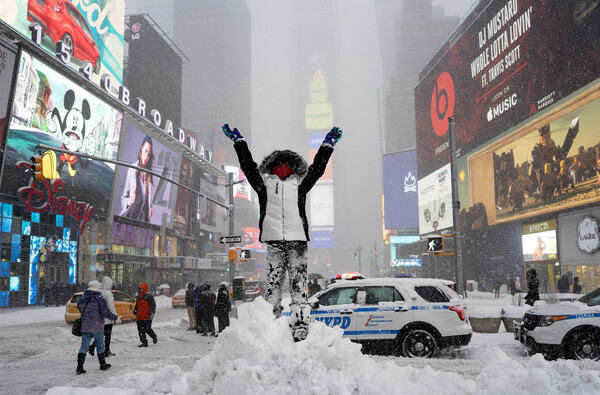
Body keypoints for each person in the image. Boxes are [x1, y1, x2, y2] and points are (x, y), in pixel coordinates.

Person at [222, 124, 342, 341]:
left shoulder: (301, 183)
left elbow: (318, 167)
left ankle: (299, 325)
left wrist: (328, 144)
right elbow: (248, 166)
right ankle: (270, 324)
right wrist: (239, 142)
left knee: (298, 286)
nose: (283, 167)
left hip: (296, 241)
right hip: (275, 240)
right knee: (273, 286)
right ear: (273, 166)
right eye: (280, 164)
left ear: (294, 167)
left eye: (287, 164)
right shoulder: (264, 184)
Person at [75, 280, 119, 374]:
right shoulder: (99, 297)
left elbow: (79, 307)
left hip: (85, 326)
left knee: (84, 346)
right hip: (97, 326)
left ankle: (79, 367)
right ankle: (102, 364)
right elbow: (104, 311)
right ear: (96, 287)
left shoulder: (83, 297)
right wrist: (114, 317)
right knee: (100, 345)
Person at [120, 135, 154, 222]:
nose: (146, 157)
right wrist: (128, 201)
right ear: (141, 148)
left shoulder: (149, 175)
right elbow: (124, 197)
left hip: (142, 221)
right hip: (130, 217)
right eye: (145, 151)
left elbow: (147, 200)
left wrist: (150, 207)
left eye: (149, 155)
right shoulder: (132, 169)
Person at [88, 276, 118, 357]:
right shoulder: (108, 293)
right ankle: (106, 350)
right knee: (107, 335)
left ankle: (93, 346)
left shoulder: (99, 292)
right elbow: (111, 307)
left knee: (102, 334)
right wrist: (115, 317)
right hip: (107, 318)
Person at [133, 283, 157, 347]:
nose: (141, 290)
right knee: (140, 330)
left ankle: (153, 336)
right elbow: (137, 305)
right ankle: (144, 342)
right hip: (139, 317)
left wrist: (152, 313)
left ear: (145, 289)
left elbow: (153, 305)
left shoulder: (149, 296)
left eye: (142, 289)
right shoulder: (138, 297)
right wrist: (135, 310)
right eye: (140, 289)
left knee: (147, 329)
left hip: (147, 317)